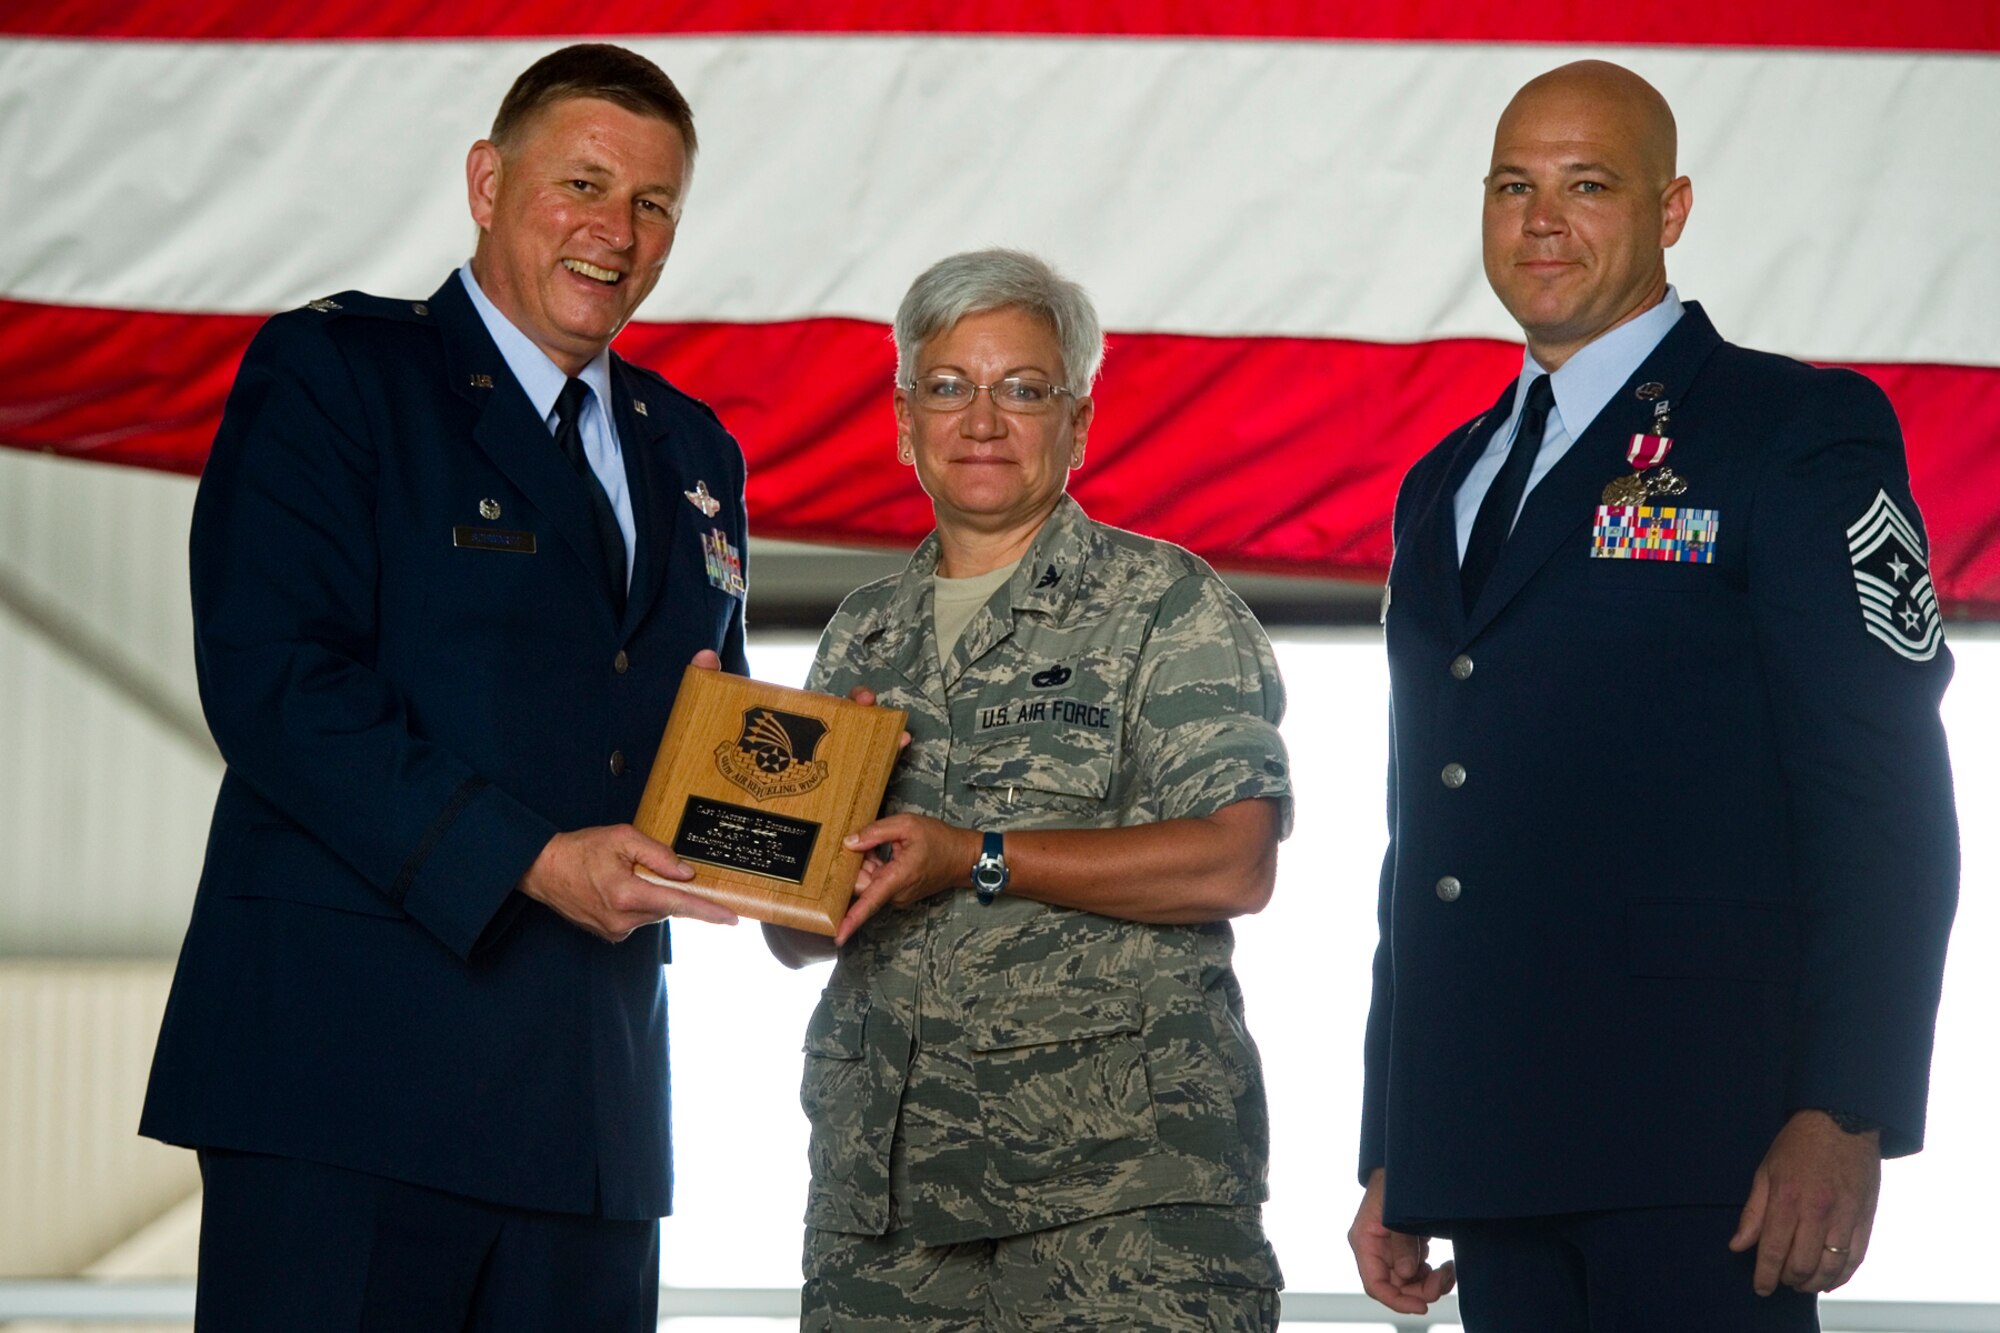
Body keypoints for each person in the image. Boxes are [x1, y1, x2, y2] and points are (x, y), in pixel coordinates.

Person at [140, 44, 748, 1331]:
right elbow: (277, 686)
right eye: (581, 184)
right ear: (486, 181)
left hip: (590, 1108)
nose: (614, 231)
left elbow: (695, 718)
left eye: (652, 205)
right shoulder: (340, 377)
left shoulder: (691, 447)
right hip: (345, 1084)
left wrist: (794, 795)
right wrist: (532, 860)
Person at [1349, 60, 1959, 1329]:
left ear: (1670, 209)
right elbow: (1431, 833)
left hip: (1709, 1149)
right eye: (1513, 186)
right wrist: (1399, 1132)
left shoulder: (1787, 428)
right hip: (1494, 1144)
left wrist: (1844, 1106)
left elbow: (1883, 788)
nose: (1541, 220)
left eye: (1587, 184)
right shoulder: (1442, 482)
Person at [763, 248, 1291, 1330]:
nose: (983, 419)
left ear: (1077, 421)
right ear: (904, 418)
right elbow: (802, 930)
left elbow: (1232, 861)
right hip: (889, 1219)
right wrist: (740, 800)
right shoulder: (862, 630)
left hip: (1120, 1214)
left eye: (1022, 390)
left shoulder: (1164, 604)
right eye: (950, 387)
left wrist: (976, 855)